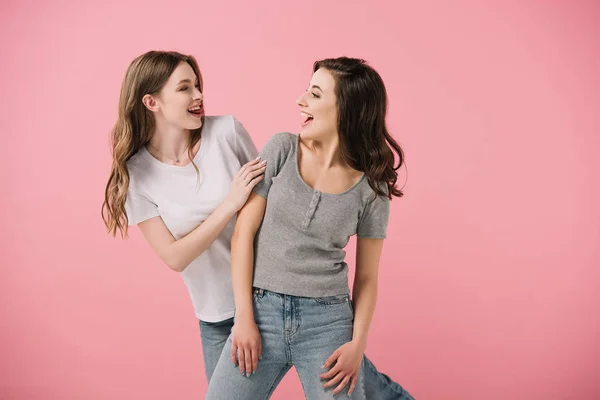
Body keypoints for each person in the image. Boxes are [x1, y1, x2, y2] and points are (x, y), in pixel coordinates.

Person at [206, 57, 413, 399]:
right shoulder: (282, 148)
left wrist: (357, 344)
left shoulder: (372, 187)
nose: (301, 101)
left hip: (327, 323)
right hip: (261, 311)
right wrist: (244, 316)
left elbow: (366, 278)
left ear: (346, 109)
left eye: (315, 94)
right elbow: (244, 233)